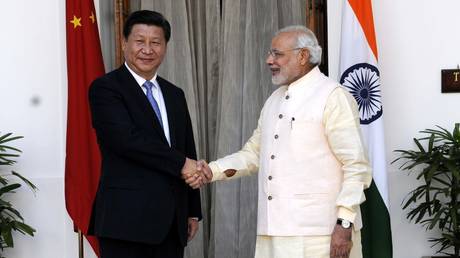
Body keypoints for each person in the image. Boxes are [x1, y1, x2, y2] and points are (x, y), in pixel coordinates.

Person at [187, 25, 372, 258]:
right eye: (270, 53)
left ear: (303, 56)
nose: (269, 60)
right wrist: (210, 171)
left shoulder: (332, 96)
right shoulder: (274, 99)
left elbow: (356, 166)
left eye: (277, 54)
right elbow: (253, 154)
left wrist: (344, 224)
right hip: (273, 231)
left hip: (320, 234)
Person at [88, 10, 201, 258]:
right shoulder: (106, 88)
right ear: (124, 43)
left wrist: (192, 209)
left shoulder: (174, 94)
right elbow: (126, 141)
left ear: (165, 47)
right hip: (126, 222)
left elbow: (186, 148)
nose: (147, 49)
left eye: (156, 42)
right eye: (140, 41)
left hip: (172, 222)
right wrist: (182, 163)